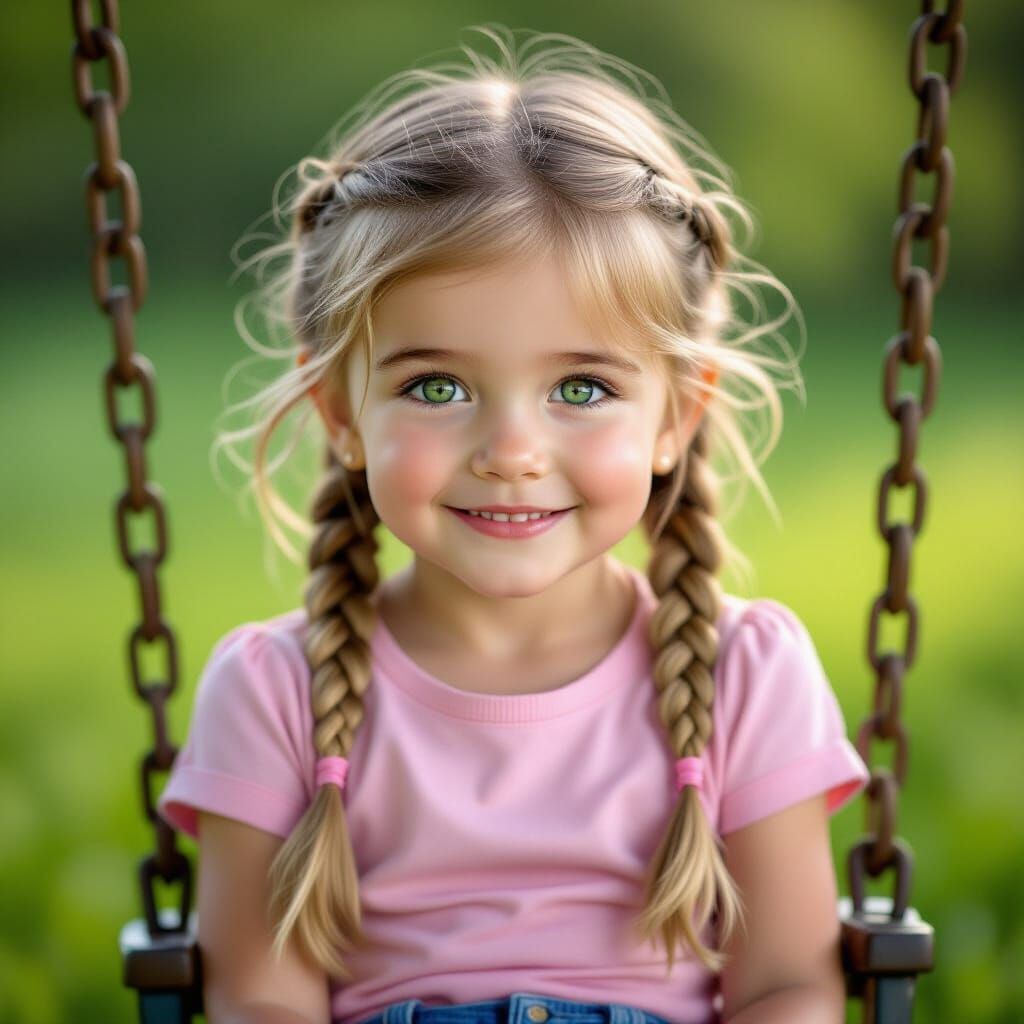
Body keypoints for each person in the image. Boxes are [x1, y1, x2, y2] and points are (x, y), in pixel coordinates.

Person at [157, 25, 870, 1024]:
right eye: (436, 386)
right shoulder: (276, 694)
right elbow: (260, 1000)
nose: (510, 450)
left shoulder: (744, 678)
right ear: (339, 414)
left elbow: (790, 986)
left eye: (581, 387)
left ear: (676, 414)